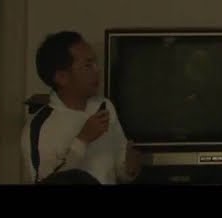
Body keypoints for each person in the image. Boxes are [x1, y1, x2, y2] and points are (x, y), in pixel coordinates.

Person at [21, 31, 140, 184]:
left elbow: (120, 171)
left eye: (96, 63)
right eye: (88, 65)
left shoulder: (104, 106)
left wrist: (129, 167)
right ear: (62, 77)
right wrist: (83, 139)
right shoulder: (38, 128)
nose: (97, 70)